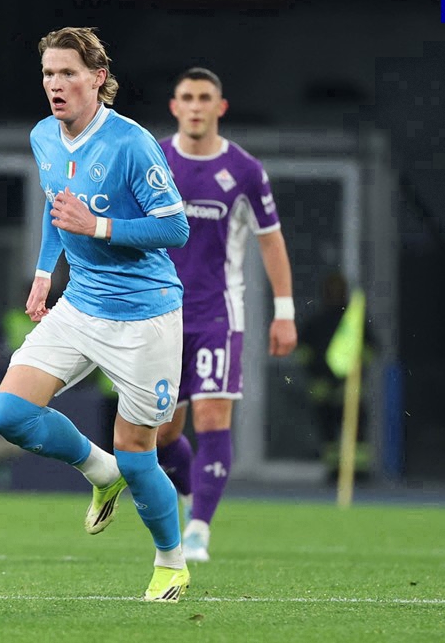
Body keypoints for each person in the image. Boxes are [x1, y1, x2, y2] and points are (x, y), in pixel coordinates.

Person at [0, 27, 191, 602]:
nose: (55, 84)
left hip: (144, 316)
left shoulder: (131, 144)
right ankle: (100, 471)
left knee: (139, 455)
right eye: (48, 74)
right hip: (80, 305)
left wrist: (98, 226)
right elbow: (59, 209)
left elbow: (175, 228)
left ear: (98, 79)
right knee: (9, 414)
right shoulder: (42, 137)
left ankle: (171, 562)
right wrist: (44, 272)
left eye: (68, 73)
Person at [155, 68, 298, 562]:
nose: (196, 106)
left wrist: (284, 311)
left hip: (218, 313)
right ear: (175, 106)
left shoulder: (244, 170)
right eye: (187, 97)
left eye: (204, 98)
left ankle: (198, 530)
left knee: (213, 415)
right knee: (163, 434)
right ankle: (191, 494)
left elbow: (271, 240)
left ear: (220, 107)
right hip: (160, 316)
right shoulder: (154, 160)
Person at [296, 273, 375, 481]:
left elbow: (370, 350)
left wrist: (353, 376)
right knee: (328, 432)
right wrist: (318, 379)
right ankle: (334, 470)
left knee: (355, 430)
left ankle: (359, 471)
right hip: (323, 388)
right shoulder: (316, 322)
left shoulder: (353, 322)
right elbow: (304, 354)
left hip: (350, 388)